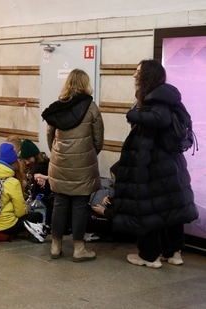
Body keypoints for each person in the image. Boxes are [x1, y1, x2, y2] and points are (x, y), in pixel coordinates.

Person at [91, 60, 197, 268]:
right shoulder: (169, 98)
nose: (134, 76)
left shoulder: (153, 101)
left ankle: (149, 256)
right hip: (172, 165)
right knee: (171, 207)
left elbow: (154, 129)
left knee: (148, 209)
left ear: (147, 75)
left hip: (153, 166)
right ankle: (173, 252)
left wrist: (133, 114)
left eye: (138, 72)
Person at [41, 68, 104, 262]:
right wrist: (88, 154)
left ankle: (55, 246)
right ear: (85, 84)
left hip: (60, 162)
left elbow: (50, 135)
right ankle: (78, 248)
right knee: (79, 205)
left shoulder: (58, 108)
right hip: (83, 163)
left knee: (60, 203)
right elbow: (98, 138)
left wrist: (59, 154)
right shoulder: (91, 107)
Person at [19, 139, 54, 233]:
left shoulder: (37, 169)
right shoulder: (47, 162)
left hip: (41, 204)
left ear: (34, 156)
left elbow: (33, 193)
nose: (26, 162)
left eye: (28, 159)